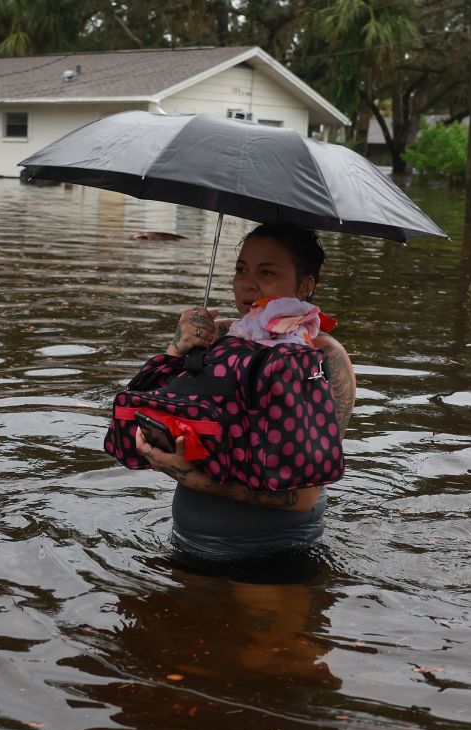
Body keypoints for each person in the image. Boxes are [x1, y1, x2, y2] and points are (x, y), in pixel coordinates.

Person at [132, 223, 356, 560]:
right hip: (189, 542)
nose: (247, 284)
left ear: (305, 284)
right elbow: (147, 408)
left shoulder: (322, 356)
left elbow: (305, 496)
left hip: (274, 554)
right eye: (241, 269)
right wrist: (178, 348)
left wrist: (192, 479)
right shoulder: (218, 338)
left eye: (266, 272)